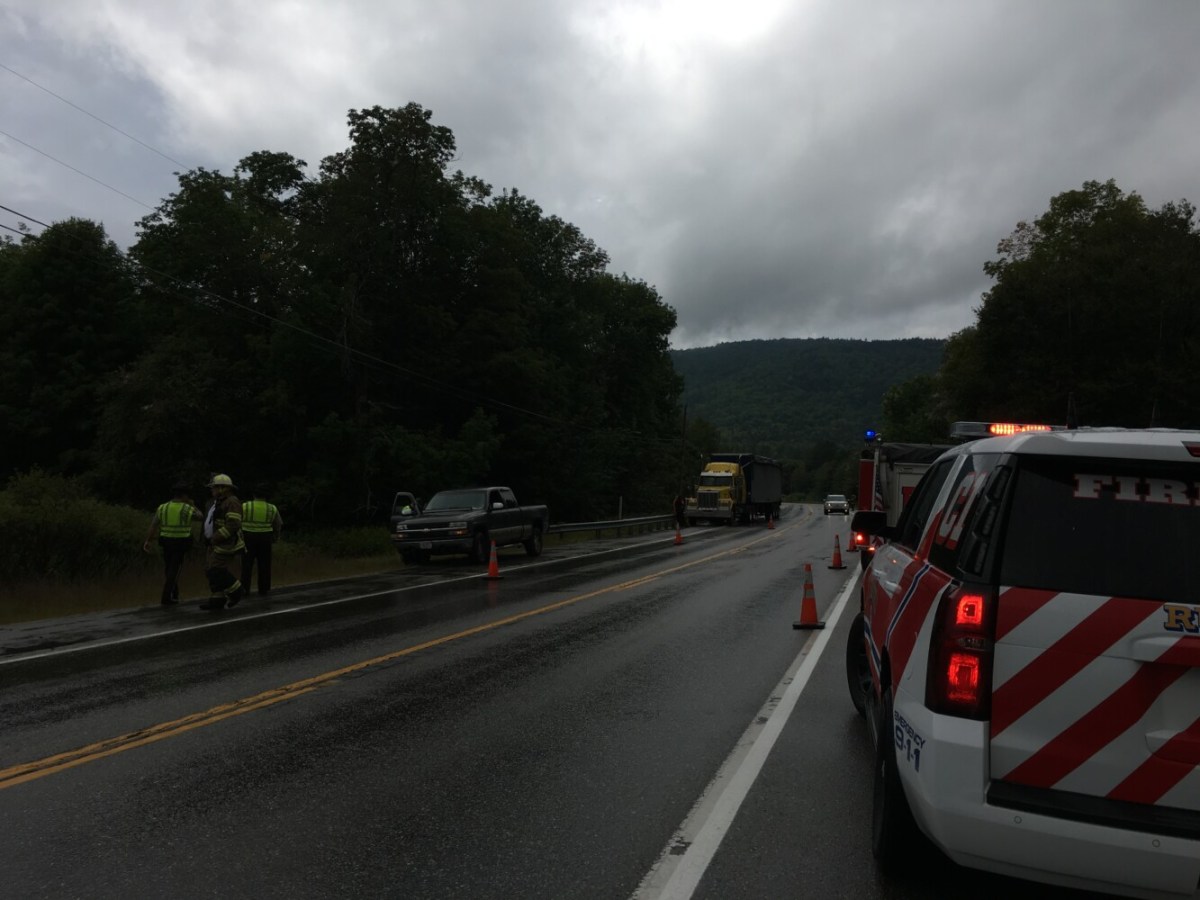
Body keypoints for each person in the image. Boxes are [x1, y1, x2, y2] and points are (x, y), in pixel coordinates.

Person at [143, 482, 200, 606]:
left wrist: (148, 540)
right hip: (181, 542)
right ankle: (166, 596)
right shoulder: (186, 508)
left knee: (169, 568)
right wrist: (192, 505)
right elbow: (200, 517)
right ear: (184, 495)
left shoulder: (163, 507)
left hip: (166, 542)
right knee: (175, 569)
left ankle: (174, 594)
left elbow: (153, 525)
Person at [200, 473, 245, 611]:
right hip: (215, 542)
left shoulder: (232, 502)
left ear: (223, 488)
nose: (212, 490)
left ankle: (237, 591)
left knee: (216, 570)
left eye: (214, 487)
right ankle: (217, 600)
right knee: (210, 570)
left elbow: (233, 524)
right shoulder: (219, 502)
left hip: (225, 543)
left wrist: (216, 537)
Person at [241, 485, 282, 597]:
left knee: (246, 564)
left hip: (248, 537)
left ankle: (244, 589)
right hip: (265, 538)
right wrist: (276, 537)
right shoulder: (272, 508)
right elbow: (278, 524)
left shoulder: (245, 506)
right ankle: (264, 589)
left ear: (253, 495)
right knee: (264, 564)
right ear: (266, 496)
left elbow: (237, 520)